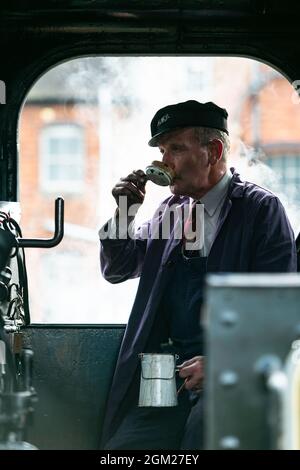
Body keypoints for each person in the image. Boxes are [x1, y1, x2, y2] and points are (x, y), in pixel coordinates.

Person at [99, 100, 297, 450]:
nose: (163, 162)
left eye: (175, 148)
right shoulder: (171, 211)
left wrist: (221, 363)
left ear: (214, 150)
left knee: (202, 439)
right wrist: (124, 213)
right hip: (165, 375)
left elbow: (280, 312)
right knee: (123, 449)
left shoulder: (260, 210)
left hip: (228, 377)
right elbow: (118, 269)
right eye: (162, 151)